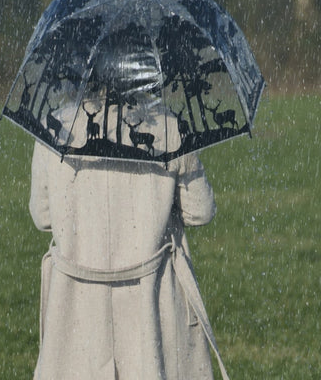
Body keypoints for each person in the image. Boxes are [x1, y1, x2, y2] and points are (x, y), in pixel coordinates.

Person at [28, 133, 227, 379]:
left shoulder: (54, 130)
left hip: (78, 306)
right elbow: (201, 210)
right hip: (153, 300)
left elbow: (42, 216)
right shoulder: (170, 129)